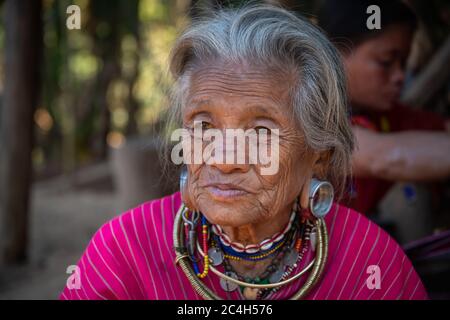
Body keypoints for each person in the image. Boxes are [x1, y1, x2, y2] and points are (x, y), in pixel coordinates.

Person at [60, 5, 427, 300]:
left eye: (261, 131)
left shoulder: (370, 264)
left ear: (320, 154)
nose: (224, 159)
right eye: (204, 126)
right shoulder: (125, 250)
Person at [318, 0, 450, 215]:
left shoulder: (384, 115)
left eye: (403, 63)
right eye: (386, 61)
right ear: (336, 53)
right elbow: (386, 158)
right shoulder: (306, 115)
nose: (400, 76)